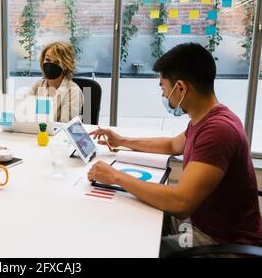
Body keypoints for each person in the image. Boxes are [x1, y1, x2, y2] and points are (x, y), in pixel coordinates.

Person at [89, 43, 262, 257]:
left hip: (218, 242)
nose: (164, 95)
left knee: (131, 248)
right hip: (201, 224)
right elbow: (172, 145)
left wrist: (115, 176)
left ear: (180, 87)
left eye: (163, 87)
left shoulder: (218, 131)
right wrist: (122, 140)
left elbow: (181, 203)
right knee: (131, 216)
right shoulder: (206, 119)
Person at [29, 42, 83, 123]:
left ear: (65, 66)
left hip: (58, 135)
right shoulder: (38, 85)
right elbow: (24, 111)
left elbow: (65, 124)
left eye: (57, 62)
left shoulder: (73, 91)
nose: (50, 65)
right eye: (47, 59)